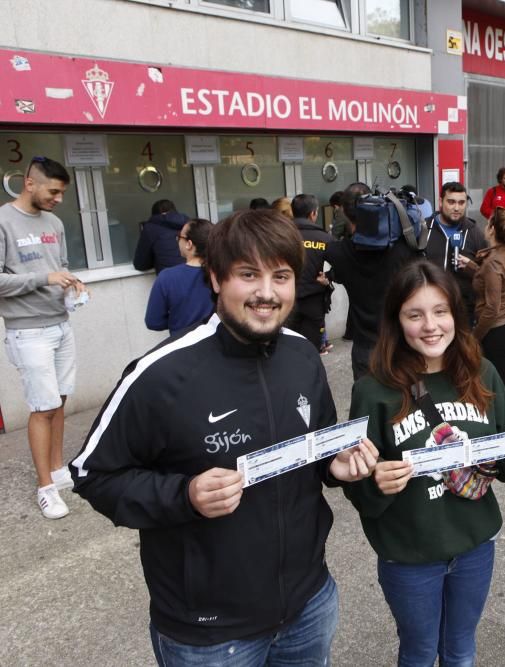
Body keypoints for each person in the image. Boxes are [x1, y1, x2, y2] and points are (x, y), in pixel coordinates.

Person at [70, 209, 379, 663]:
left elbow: (318, 449)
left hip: (309, 604)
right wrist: (185, 494)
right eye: (248, 274)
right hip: (209, 635)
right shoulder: (161, 375)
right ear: (215, 278)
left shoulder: (303, 356)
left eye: (281, 276)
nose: (267, 293)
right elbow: (92, 475)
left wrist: (337, 466)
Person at [344, 260, 505, 666]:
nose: (430, 326)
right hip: (410, 553)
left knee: (461, 649)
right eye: (415, 314)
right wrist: (375, 481)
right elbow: (357, 485)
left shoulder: (482, 373)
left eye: (440, 312)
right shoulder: (373, 391)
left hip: (474, 545)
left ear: (456, 315)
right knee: (418, 652)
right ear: (397, 321)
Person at [1, 156, 87, 520]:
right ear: (29, 183)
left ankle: (56, 469)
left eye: (62, 192)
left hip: (60, 323)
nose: (58, 199)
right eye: (53, 191)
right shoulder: (3, 221)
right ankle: (45, 488)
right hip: (27, 329)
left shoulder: (53, 222)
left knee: (60, 400)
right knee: (43, 407)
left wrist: (72, 282)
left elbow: (60, 265)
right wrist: (44, 279)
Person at [329, 183, 421, 380]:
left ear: (344, 211)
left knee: (367, 407)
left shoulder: (337, 253)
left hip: (365, 347)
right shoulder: (403, 248)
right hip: (401, 344)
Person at [467, 207, 505, 414]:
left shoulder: (493, 262)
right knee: (503, 379)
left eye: (488, 222)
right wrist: (473, 267)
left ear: (492, 229)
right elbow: (500, 280)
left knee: (501, 384)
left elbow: (492, 308)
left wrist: (474, 337)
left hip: (498, 332)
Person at [425, 182, 488, 327]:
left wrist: (472, 267)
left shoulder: (475, 234)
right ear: (441, 202)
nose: (457, 208)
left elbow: (487, 276)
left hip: (465, 313)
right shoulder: (424, 230)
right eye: (451, 202)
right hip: (430, 312)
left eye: (461, 202)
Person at [143, 218, 214, 336]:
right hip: (218, 343)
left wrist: (177, 320)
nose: (177, 240)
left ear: (189, 244)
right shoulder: (223, 273)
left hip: (182, 345)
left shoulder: (167, 277)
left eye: (179, 237)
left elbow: (153, 322)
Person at [288, 194, 337, 351]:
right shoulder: (323, 238)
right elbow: (343, 264)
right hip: (314, 300)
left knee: (287, 346)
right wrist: (328, 278)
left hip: (286, 298)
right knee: (312, 349)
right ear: (313, 214)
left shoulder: (280, 236)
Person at [133, 199, 189, 274]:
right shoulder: (189, 224)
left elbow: (140, 264)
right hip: (195, 276)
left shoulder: (150, 228)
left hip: (169, 279)